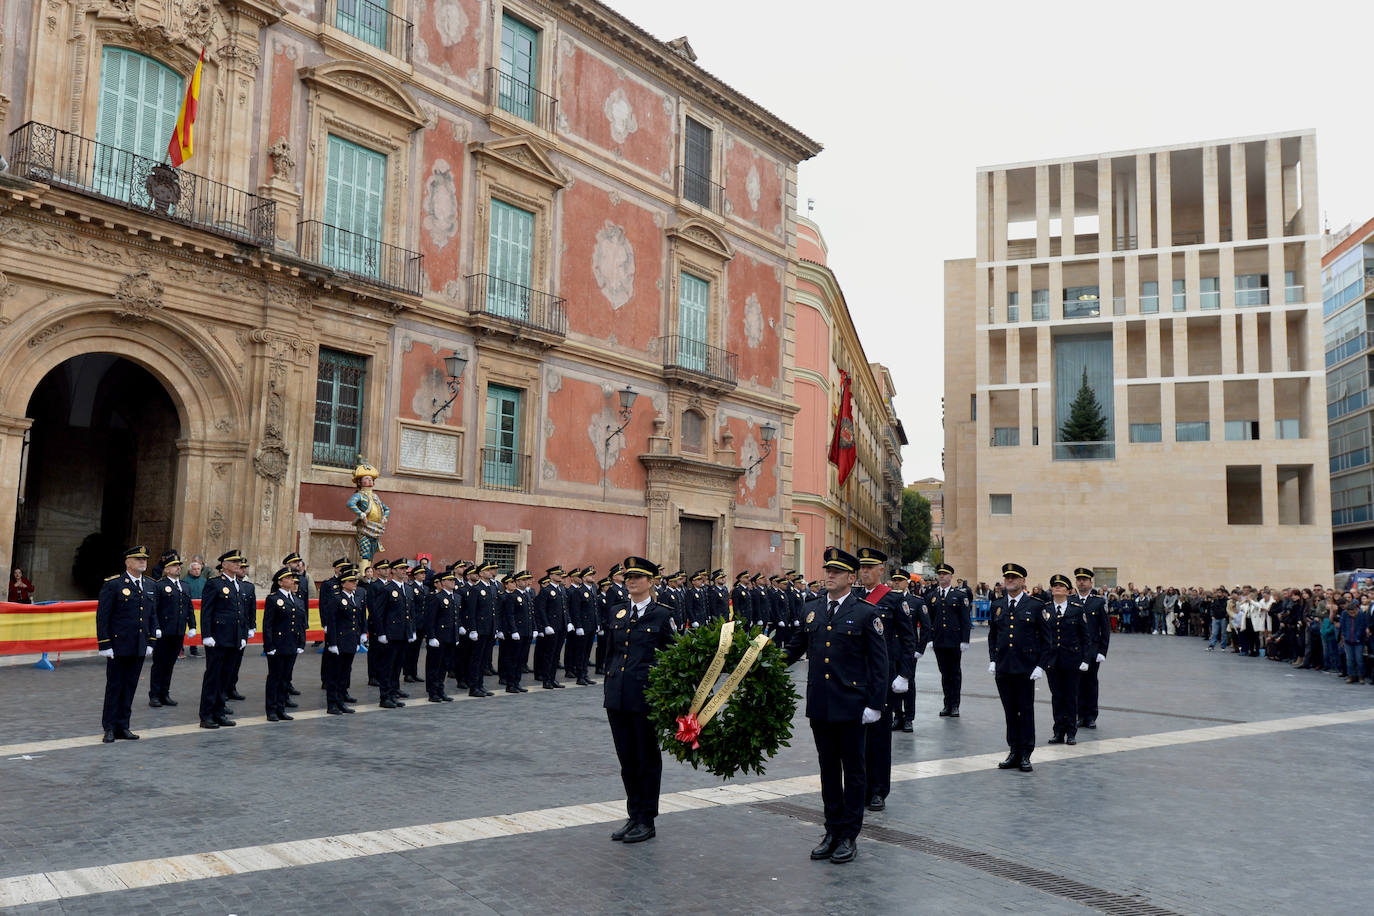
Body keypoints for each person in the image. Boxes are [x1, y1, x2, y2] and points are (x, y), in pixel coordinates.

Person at [781, 547, 888, 865]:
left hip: (852, 706)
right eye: (827, 570)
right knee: (828, 770)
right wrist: (761, 664)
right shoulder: (811, 609)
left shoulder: (866, 613)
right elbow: (794, 647)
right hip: (821, 704)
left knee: (854, 772)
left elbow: (879, 664)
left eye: (837, 572)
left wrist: (876, 705)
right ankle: (831, 830)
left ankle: (848, 836)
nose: (829, 575)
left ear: (851, 578)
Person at [604, 556, 677, 845]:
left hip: (645, 698)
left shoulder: (661, 615)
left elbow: (673, 656)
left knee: (647, 759)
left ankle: (647, 819)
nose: (630, 581)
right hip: (617, 696)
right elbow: (611, 653)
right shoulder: (617, 612)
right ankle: (633, 814)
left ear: (651, 581)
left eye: (637, 577)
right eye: (628, 577)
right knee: (627, 760)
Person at [853, 548, 916, 812]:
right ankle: (859, 787)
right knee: (855, 737)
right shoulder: (853, 597)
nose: (865, 571)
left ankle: (878, 789)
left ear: (882, 570)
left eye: (870, 567)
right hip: (856, 677)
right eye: (862, 567)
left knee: (879, 736)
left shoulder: (893, 600)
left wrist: (904, 674)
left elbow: (908, 638)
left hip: (881, 676)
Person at [987, 562, 1051, 772]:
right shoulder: (997, 605)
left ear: (1023, 581)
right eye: (1007, 577)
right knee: (1009, 711)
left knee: (1025, 711)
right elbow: (993, 636)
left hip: (1026, 668)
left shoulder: (1035, 605)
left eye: (1014, 577)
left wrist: (1040, 666)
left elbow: (1046, 639)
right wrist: (993, 659)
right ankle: (1013, 749)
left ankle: (1026, 753)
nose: (1010, 580)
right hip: (1004, 667)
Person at [96, 546, 158, 742]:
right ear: (127, 562)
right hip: (118, 645)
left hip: (138, 645)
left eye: (145, 559)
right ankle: (110, 727)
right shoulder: (113, 584)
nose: (143, 561)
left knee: (130, 686)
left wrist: (151, 640)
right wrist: (105, 644)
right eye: (138, 558)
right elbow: (103, 616)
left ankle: (124, 725)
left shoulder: (149, 585)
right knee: (115, 686)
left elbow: (151, 614)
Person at [197, 549, 247, 728]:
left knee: (226, 677)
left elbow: (240, 614)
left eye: (239, 562)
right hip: (218, 638)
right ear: (224, 565)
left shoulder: (239, 585)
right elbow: (206, 611)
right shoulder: (215, 584)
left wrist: (242, 636)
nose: (238, 564)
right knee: (213, 677)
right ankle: (207, 715)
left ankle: (219, 712)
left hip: (233, 639)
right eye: (234, 562)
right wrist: (207, 635)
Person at [1043, 574, 1089, 745]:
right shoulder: (1046, 609)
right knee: (1057, 697)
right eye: (1054, 585)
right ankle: (1058, 731)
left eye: (1061, 586)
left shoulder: (1076, 609)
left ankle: (1071, 732)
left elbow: (1085, 636)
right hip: (1052, 661)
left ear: (1068, 591)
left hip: (1072, 659)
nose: (1057, 588)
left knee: (1070, 696)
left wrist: (1085, 659)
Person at [148, 550, 196, 708]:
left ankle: (165, 693)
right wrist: (155, 627)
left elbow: (189, 607)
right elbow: (153, 608)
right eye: (174, 566)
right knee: (159, 663)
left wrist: (192, 625)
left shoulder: (185, 586)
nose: (178, 568)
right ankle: (154, 694)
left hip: (178, 630)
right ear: (166, 569)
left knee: (170, 663)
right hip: (164, 630)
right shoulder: (160, 585)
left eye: (179, 565)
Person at [262, 567, 306, 722]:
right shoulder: (273, 599)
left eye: (292, 578)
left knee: (285, 678)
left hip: (292, 644)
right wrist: (269, 646)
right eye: (287, 578)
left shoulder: (297, 599)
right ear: (280, 582)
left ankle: (281, 708)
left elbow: (301, 623)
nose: (292, 580)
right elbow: (268, 624)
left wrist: (301, 641)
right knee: (275, 677)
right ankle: (271, 710)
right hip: (278, 644)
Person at [927, 563, 972, 717]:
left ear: (951, 577)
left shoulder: (959, 595)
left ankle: (955, 705)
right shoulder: (932, 596)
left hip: (954, 640)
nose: (941, 576)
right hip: (939, 640)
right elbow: (929, 620)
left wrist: (965, 640)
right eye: (940, 574)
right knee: (944, 673)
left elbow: (965, 619)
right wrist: (929, 639)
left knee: (954, 673)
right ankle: (947, 704)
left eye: (945, 574)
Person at [889, 569, 931, 733]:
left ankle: (908, 718)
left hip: (908, 651)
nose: (897, 582)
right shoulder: (889, 600)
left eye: (900, 580)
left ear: (908, 582)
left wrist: (919, 649)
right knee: (892, 684)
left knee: (908, 685)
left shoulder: (916, 602)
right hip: (892, 650)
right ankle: (897, 716)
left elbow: (926, 628)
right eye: (895, 580)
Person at [322, 566, 364, 714]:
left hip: (350, 641)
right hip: (339, 642)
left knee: (344, 674)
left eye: (355, 581)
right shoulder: (336, 599)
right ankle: (332, 703)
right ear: (343, 583)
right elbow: (332, 622)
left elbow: (357, 621)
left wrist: (359, 640)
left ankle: (340, 701)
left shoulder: (355, 599)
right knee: (335, 674)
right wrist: (332, 643)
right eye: (352, 581)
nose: (355, 583)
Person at [1072, 567, 1109, 730]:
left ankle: (1091, 715)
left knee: (1091, 683)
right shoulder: (1071, 600)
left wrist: (1102, 651)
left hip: (1093, 650)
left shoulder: (1098, 601)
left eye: (1084, 580)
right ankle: (1080, 715)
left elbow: (1105, 629)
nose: (1081, 582)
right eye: (1079, 579)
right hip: (1075, 650)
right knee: (1077, 683)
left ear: (1090, 582)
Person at [463, 560, 500, 697]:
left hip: (489, 629)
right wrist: (472, 629)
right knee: (476, 659)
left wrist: (495, 628)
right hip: (479, 629)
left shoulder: (493, 588)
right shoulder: (475, 589)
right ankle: (473, 687)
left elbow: (495, 611)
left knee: (484, 659)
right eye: (487, 570)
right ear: (481, 573)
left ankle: (480, 685)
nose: (490, 572)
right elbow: (471, 611)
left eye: (490, 570)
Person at [425, 569, 461, 702]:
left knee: (444, 666)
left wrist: (456, 636)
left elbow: (456, 618)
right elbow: (430, 619)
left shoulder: (456, 597)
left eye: (453, 580)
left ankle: (441, 689)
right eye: (450, 580)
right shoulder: (437, 598)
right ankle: (432, 692)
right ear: (443, 583)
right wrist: (431, 637)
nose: (453, 582)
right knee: (435, 666)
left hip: (450, 637)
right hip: (439, 637)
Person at [183, 555, 207, 656]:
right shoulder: (185, 581)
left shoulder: (204, 581)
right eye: (194, 569)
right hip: (188, 608)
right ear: (190, 570)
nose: (197, 571)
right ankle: (181, 650)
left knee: (197, 628)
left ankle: (194, 649)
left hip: (200, 609)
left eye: (198, 569)